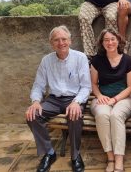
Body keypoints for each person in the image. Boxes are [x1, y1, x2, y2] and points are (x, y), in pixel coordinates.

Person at [26, 25, 91, 172]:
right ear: (51, 43)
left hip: (74, 98)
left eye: (64, 39)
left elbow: (86, 87)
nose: (61, 43)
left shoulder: (80, 58)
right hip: (54, 99)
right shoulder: (46, 61)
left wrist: (76, 102)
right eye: (56, 40)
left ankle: (75, 155)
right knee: (32, 116)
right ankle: (48, 153)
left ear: (70, 40)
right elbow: (38, 85)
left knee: (75, 116)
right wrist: (35, 101)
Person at [90, 28, 131, 172]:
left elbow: (130, 87)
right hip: (103, 97)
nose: (110, 42)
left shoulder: (128, 60)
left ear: (118, 41)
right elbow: (93, 84)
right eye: (106, 40)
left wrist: (115, 99)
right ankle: (110, 157)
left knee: (116, 115)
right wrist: (99, 96)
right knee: (103, 115)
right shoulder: (96, 60)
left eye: (113, 39)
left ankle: (119, 159)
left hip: (124, 98)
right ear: (102, 43)